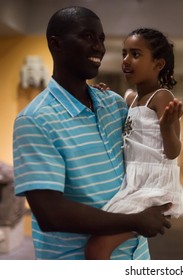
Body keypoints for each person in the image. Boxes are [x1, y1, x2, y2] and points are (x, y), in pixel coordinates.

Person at [12, 6, 172, 260]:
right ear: (57, 44)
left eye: (101, 39)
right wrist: (133, 221)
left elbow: (146, 150)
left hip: (136, 256)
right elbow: (49, 213)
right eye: (88, 37)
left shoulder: (114, 104)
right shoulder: (36, 120)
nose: (99, 46)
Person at [85, 28, 183, 260]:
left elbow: (173, 151)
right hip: (133, 183)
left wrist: (167, 126)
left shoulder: (162, 97)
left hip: (153, 187)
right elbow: (119, 105)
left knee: (97, 248)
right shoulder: (130, 98)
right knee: (98, 241)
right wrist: (101, 93)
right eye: (124, 53)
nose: (126, 60)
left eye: (136, 54)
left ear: (158, 64)